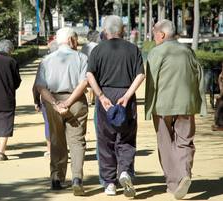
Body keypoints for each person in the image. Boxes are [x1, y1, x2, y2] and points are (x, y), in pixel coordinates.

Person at [145, 19, 207, 200]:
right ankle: (185, 173)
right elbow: (199, 77)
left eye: (154, 32)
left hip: (162, 106)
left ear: (161, 34)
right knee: (185, 141)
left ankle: (173, 183)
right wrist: (200, 104)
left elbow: (152, 83)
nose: (153, 35)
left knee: (165, 144)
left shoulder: (156, 53)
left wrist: (148, 108)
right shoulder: (188, 51)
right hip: (187, 105)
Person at [86, 15, 145, 197]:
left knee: (105, 139)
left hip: (106, 95)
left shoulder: (97, 50)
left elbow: (89, 75)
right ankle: (125, 171)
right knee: (126, 136)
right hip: (126, 95)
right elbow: (141, 75)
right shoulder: (133, 49)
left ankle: (109, 182)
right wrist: (128, 95)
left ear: (105, 31)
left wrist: (101, 96)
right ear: (123, 30)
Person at [33, 27, 88, 196]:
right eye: (76, 39)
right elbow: (84, 83)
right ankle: (77, 178)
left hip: (52, 102)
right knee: (77, 141)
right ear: (72, 40)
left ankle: (56, 178)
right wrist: (69, 102)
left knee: (56, 139)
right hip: (76, 101)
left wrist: (57, 103)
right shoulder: (81, 57)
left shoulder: (47, 60)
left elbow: (40, 86)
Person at [81, 30, 100, 106]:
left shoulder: (85, 46)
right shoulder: (98, 46)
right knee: (95, 82)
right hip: (96, 66)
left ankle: (89, 100)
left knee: (88, 83)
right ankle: (94, 99)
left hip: (86, 65)